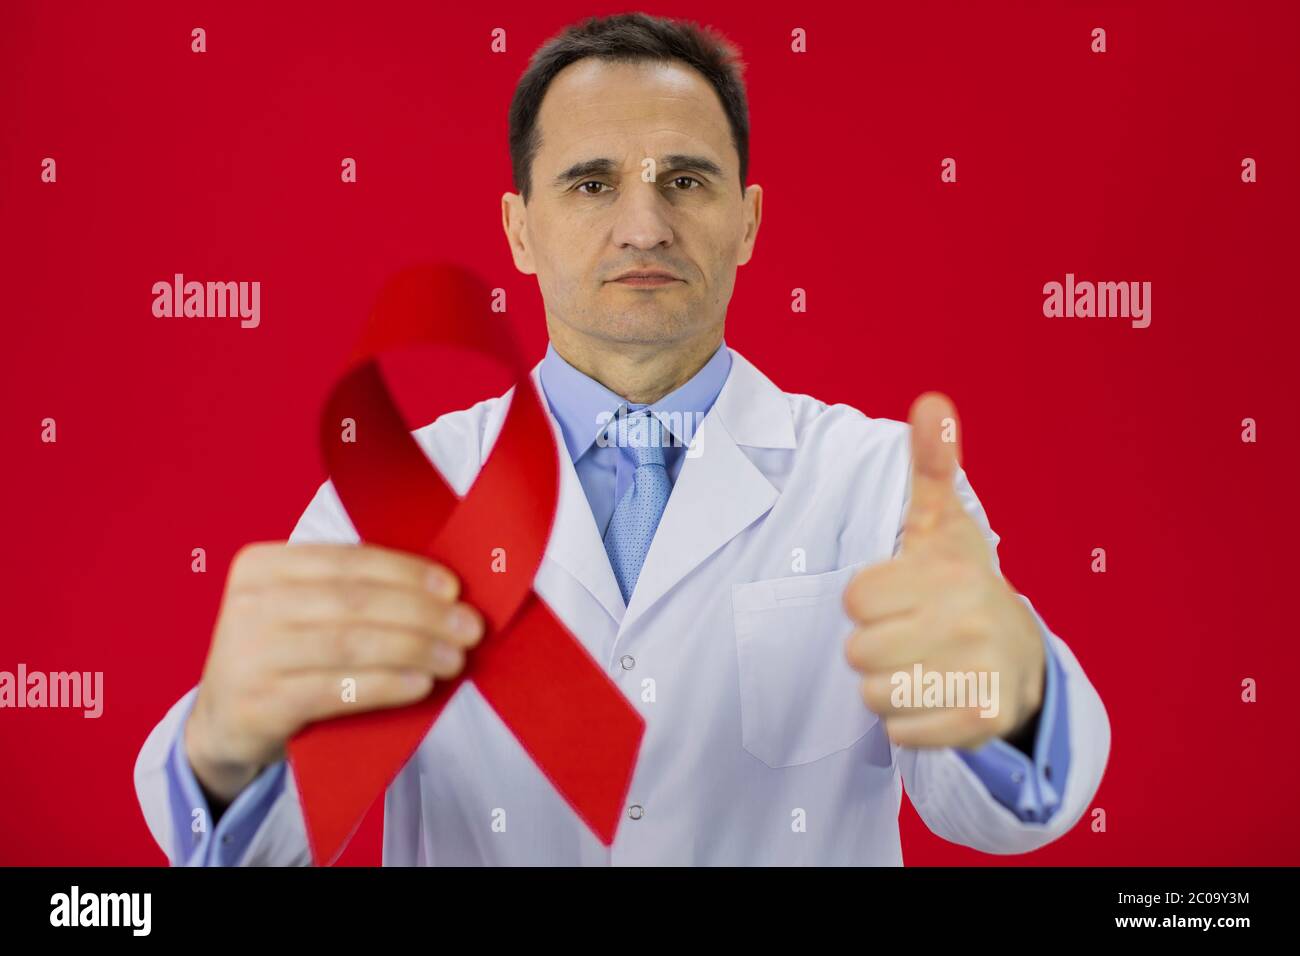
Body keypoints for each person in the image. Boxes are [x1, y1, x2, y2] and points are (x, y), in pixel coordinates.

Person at [134, 12, 1109, 866]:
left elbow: (994, 812)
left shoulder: (880, 481)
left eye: (684, 179)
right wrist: (223, 745)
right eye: (591, 184)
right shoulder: (405, 491)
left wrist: (1011, 693)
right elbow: (255, 846)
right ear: (519, 231)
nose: (643, 225)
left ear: (747, 221)